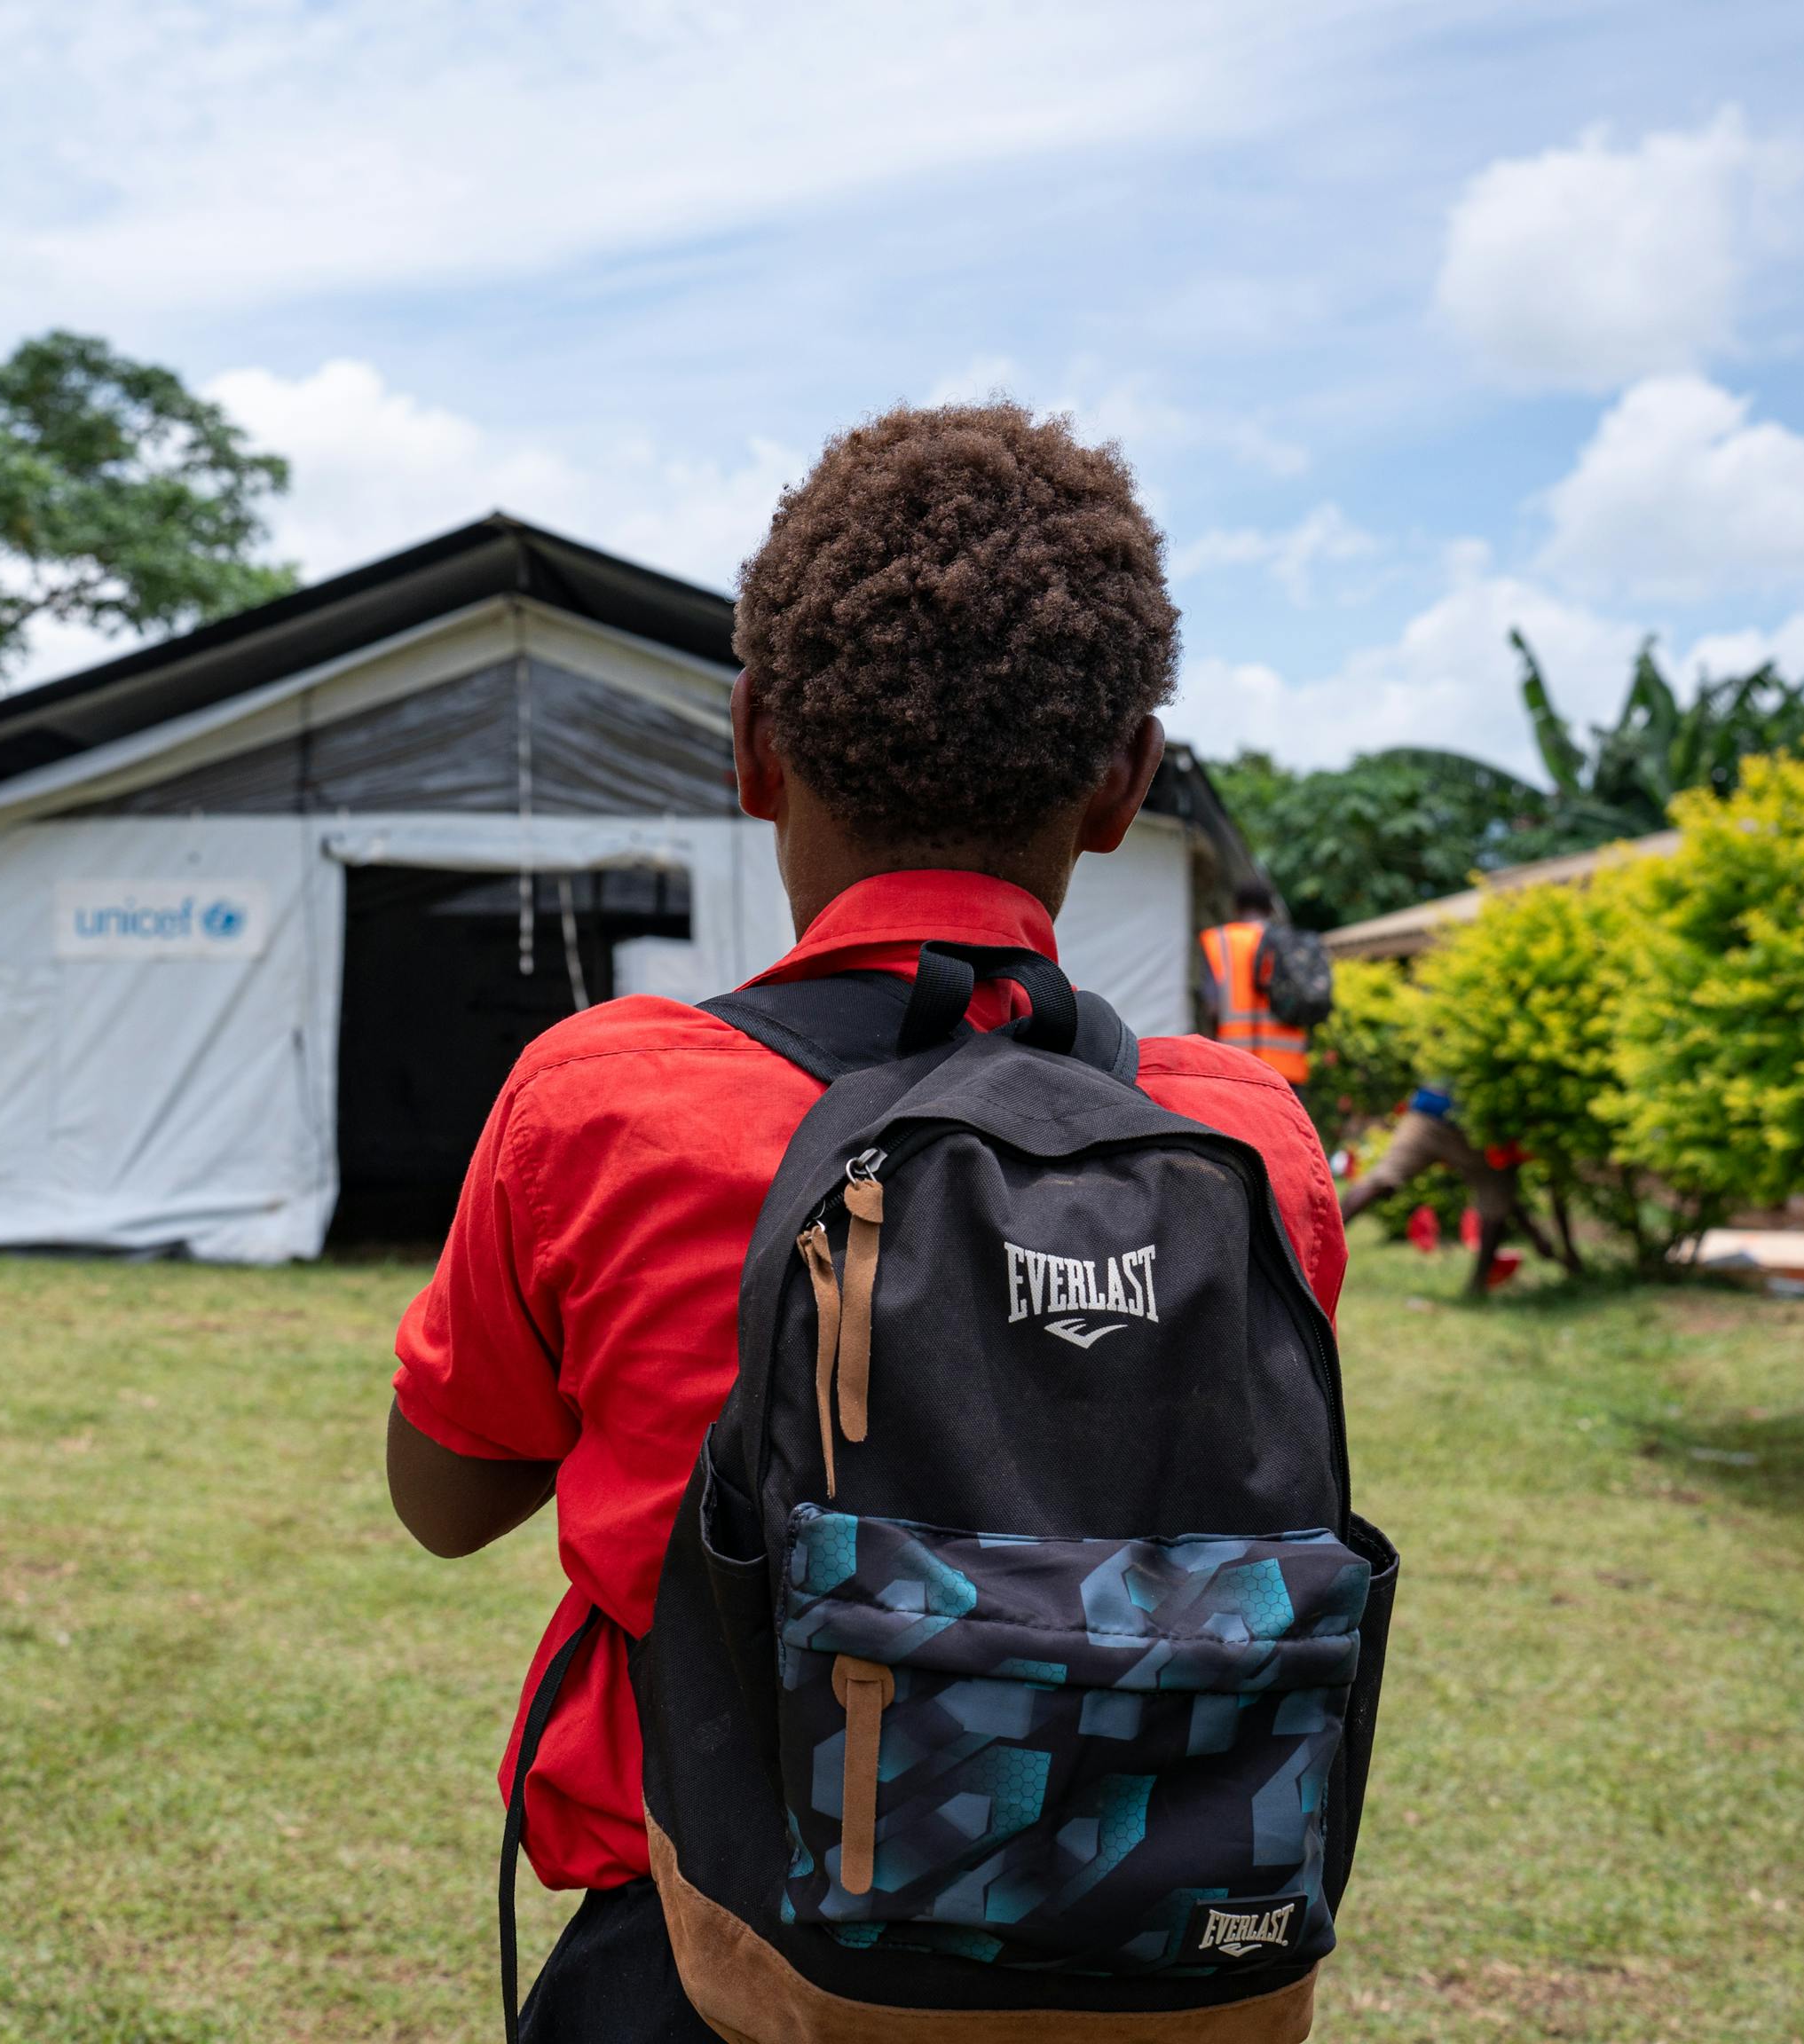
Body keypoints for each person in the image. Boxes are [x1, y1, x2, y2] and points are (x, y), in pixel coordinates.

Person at [383, 404, 1351, 2043]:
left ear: (752, 745)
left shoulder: (608, 1100)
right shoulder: (1241, 1137)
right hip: (1149, 1968)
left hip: (711, 1962)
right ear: (1121, 786)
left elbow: (445, 1497)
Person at [1339, 1080, 1547, 1295]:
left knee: (1381, 1178)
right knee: (1495, 1196)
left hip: (1427, 1110)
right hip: (1473, 1123)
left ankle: (1318, 1243)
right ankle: (1478, 1285)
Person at [1198, 878, 1309, 1084]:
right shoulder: (1291, 941)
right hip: (1288, 1066)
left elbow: (1212, 1007)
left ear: (1236, 907)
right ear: (1270, 908)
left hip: (1238, 1065)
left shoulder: (1219, 940)